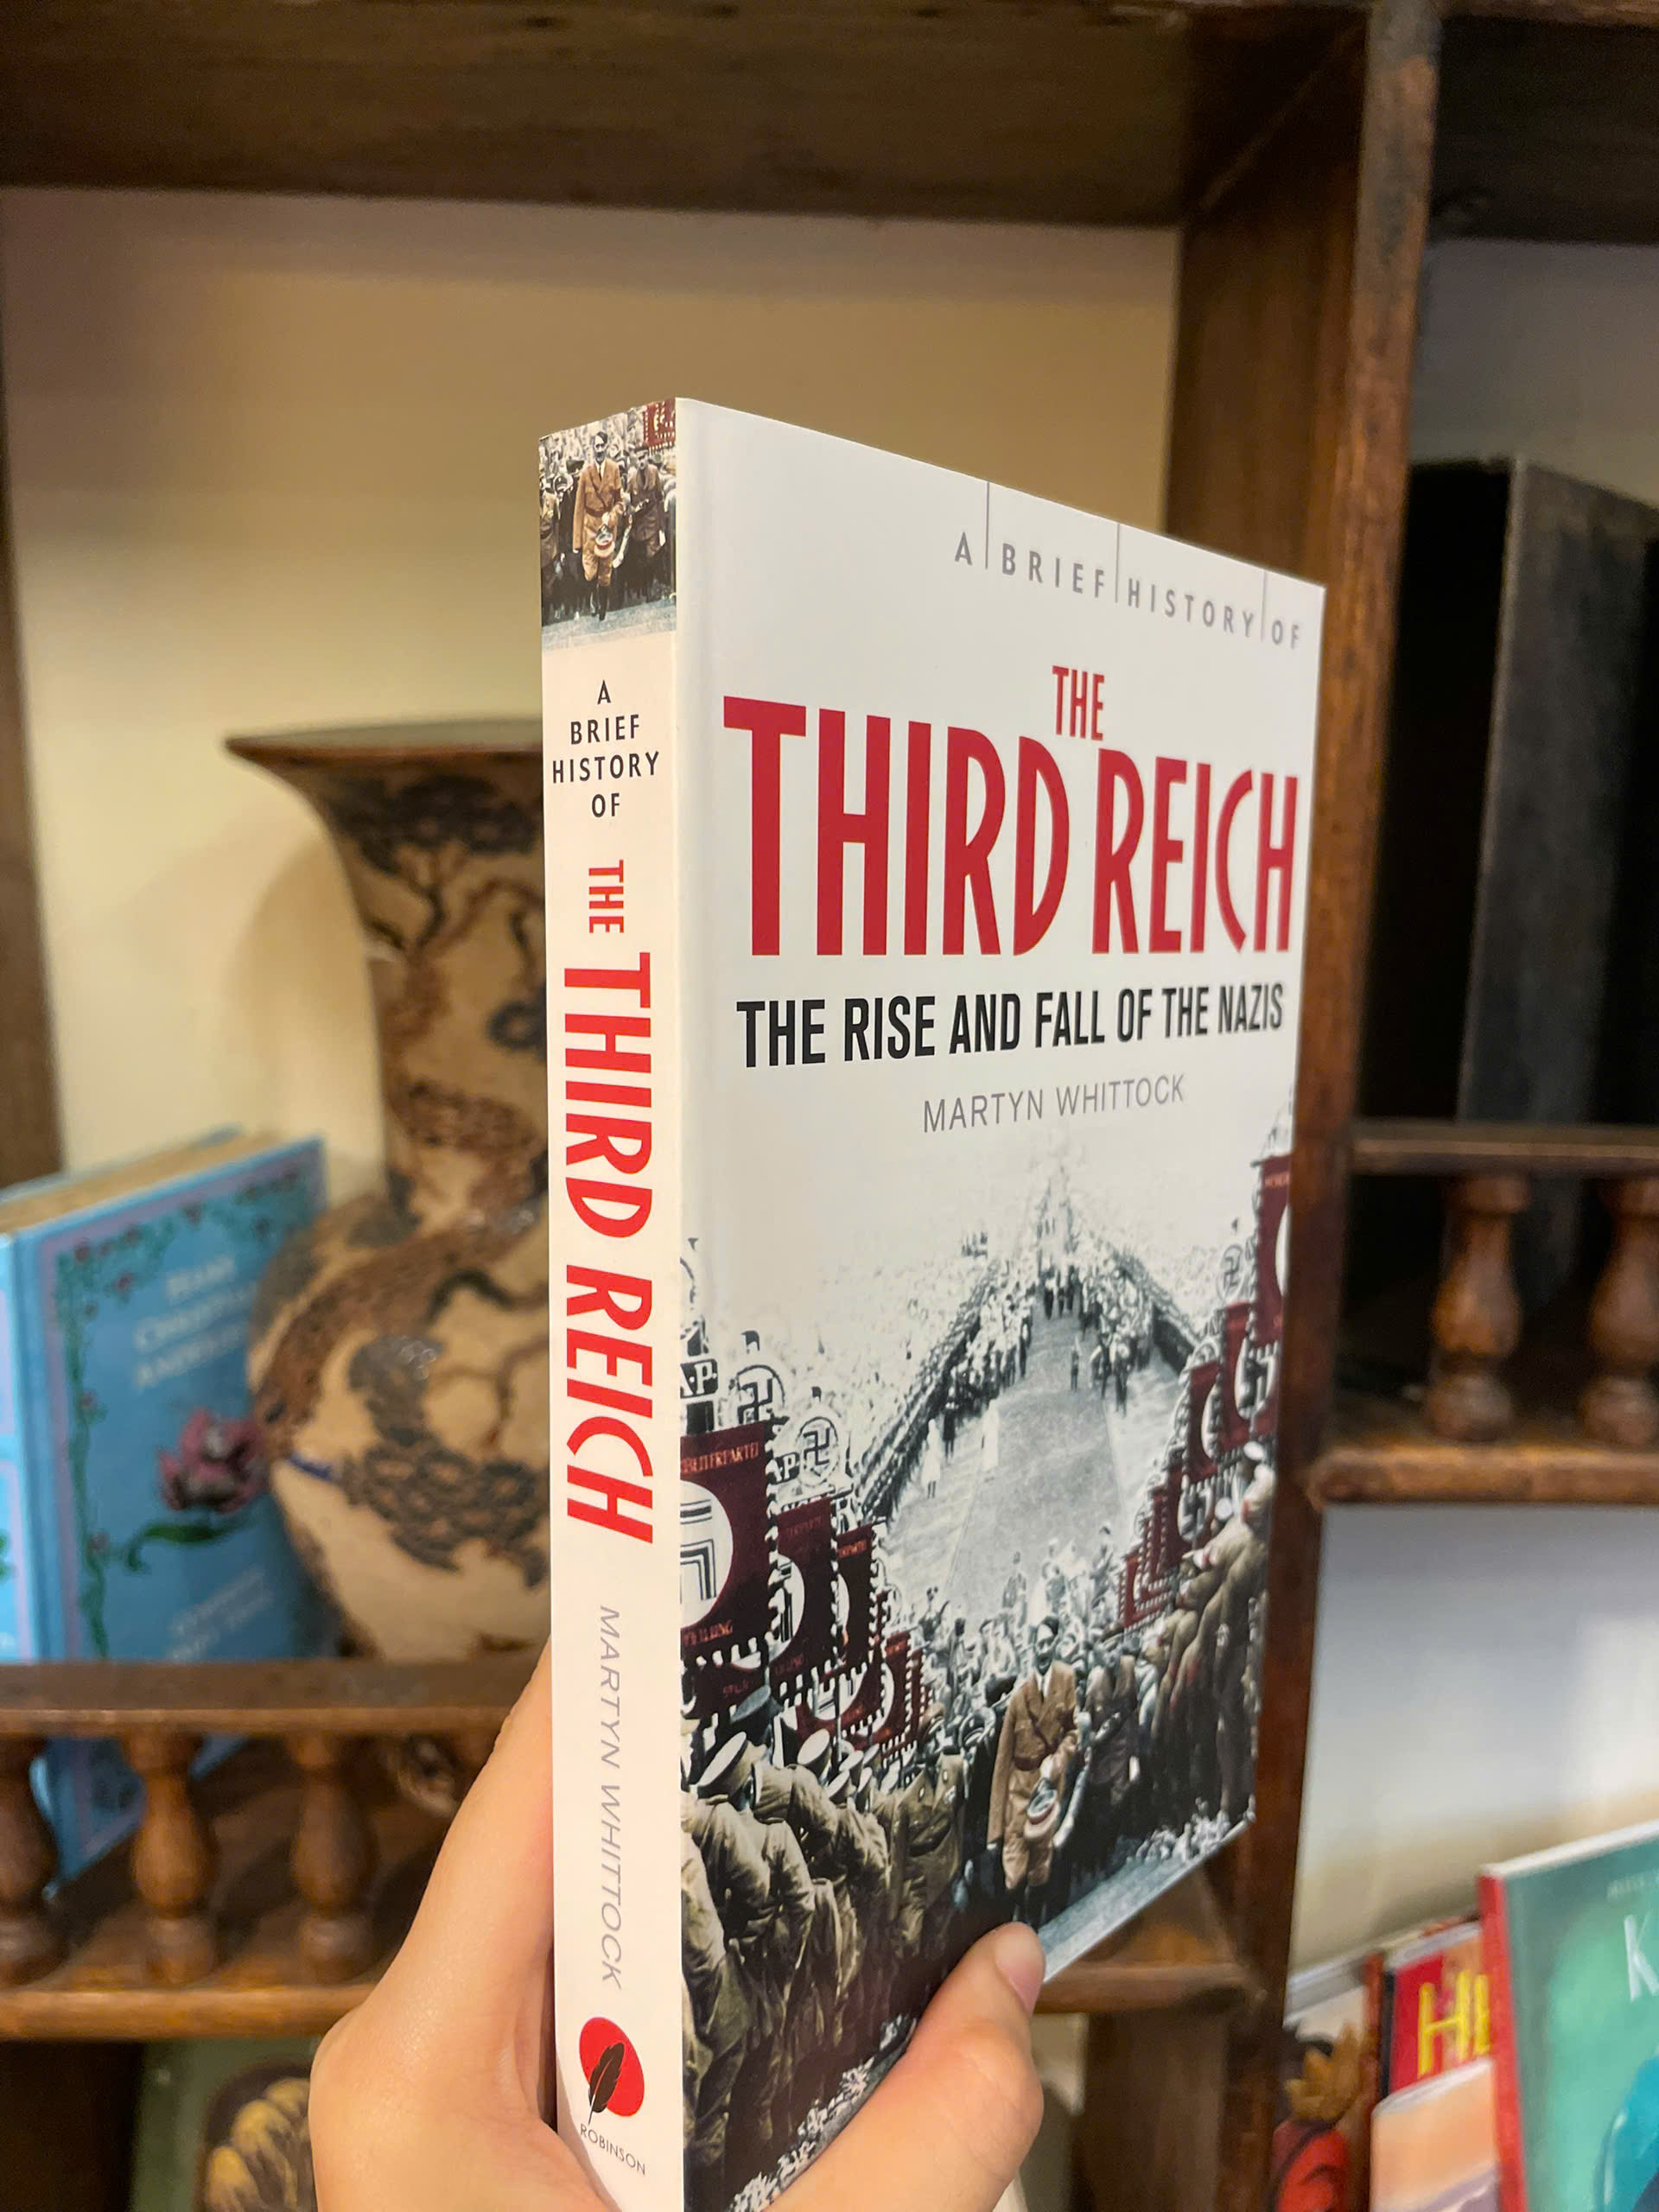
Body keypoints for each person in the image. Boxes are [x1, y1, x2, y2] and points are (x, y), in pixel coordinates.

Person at [308, 1649, 1045, 2212]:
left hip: (762, 1982)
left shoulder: (757, 1829)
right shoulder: (711, 1830)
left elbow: (797, 1886)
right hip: (706, 2003)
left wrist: (749, 1955)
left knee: (763, 2089)